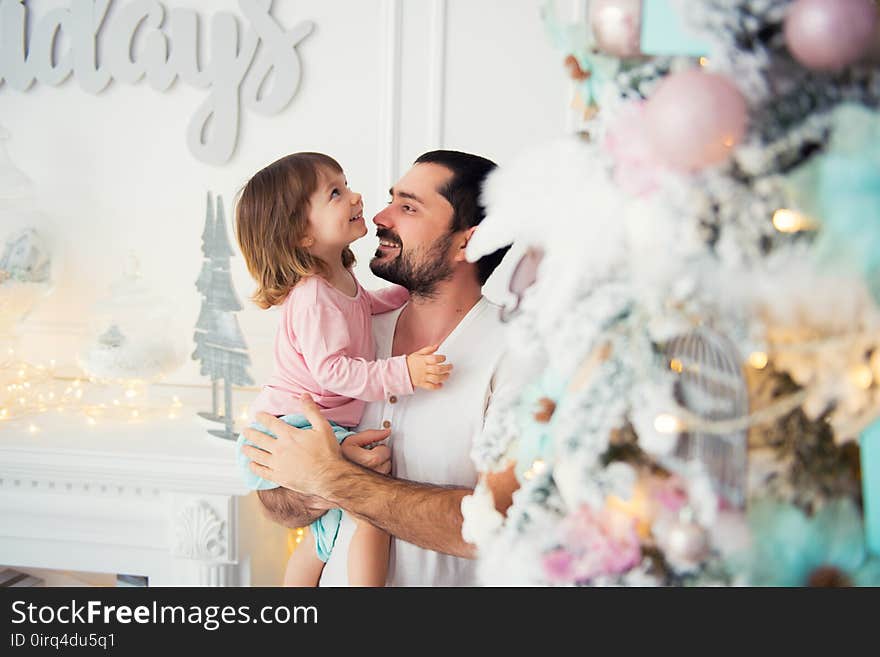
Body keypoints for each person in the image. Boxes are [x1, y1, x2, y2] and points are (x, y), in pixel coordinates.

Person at [240, 150, 522, 586]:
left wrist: (332, 476)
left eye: (408, 207)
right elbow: (276, 502)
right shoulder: (346, 328)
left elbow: (496, 525)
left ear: (467, 241)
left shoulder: (518, 353)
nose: (378, 215)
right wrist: (304, 479)